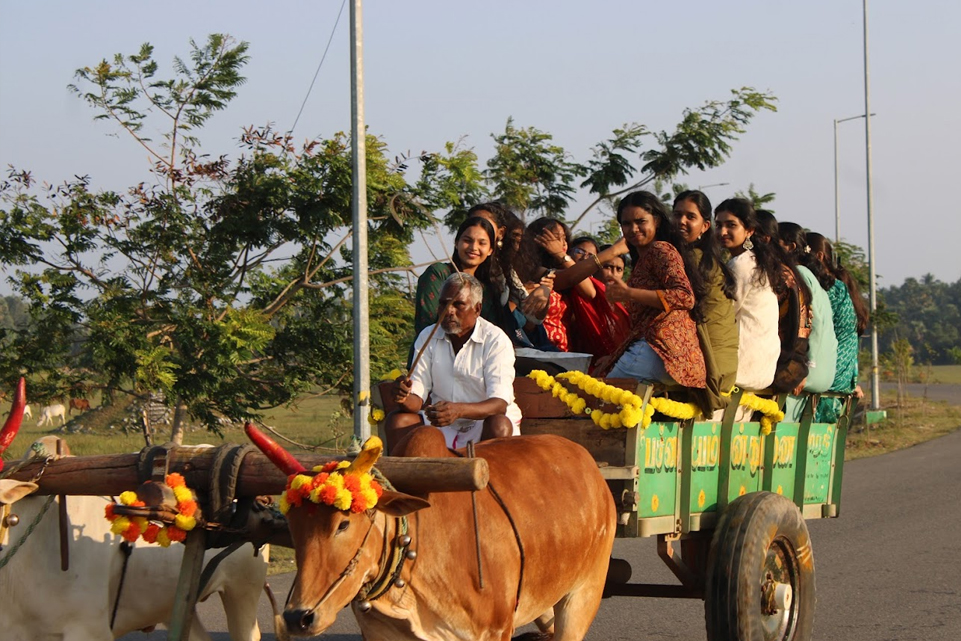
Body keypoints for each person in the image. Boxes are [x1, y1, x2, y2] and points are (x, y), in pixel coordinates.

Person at [386, 273, 522, 452]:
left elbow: (499, 404)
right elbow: (416, 400)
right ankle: (403, 480)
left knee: (499, 425)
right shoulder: (428, 336)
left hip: (482, 423)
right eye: (443, 304)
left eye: (458, 305)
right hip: (442, 424)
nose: (449, 311)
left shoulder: (495, 340)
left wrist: (458, 410)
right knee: (398, 421)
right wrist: (403, 397)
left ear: (477, 309)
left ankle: (488, 479)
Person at [600, 191, 706, 389]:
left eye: (641, 221)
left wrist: (628, 293)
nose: (633, 229)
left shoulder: (660, 250)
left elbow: (684, 297)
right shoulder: (646, 257)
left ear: (656, 221)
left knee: (597, 398)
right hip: (664, 357)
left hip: (660, 353)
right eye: (626, 223)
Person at [673, 190, 739, 412]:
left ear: (705, 226)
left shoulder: (693, 260)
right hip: (723, 367)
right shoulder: (708, 258)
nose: (681, 221)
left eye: (690, 217)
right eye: (677, 215)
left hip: (712, 368)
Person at [714, 198, 780, 391]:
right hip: (761, 367)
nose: (722, 232)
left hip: (742, 367)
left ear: (749, 230)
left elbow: (722, 313)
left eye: (731, 225)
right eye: (718, 225)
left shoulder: (741, 264)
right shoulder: (756, 261)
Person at [806, 232, 869, 421]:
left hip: (829, 379)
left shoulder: (827, 290)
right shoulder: (842, 288)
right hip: (844, 379)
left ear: (818, 256)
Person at [412, 216, 506, 340]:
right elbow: (426, 324)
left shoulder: (486, 289)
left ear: (490, 250)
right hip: (430, 352)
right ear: (457, 243)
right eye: (468, 240)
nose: (473, 247)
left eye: (482, 243)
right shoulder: (439, 273)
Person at [778, 222, 838, 394]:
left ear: (790, 247)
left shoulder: (798, 274)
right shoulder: (808, 275)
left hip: (807, 373)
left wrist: (801, 370)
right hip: (821, 372)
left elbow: (810, 327)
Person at [562, 236, 631, 369]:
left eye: (619, 269)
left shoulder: (627, 300)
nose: (613, 274)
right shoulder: (577, 289)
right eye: (608, 267)